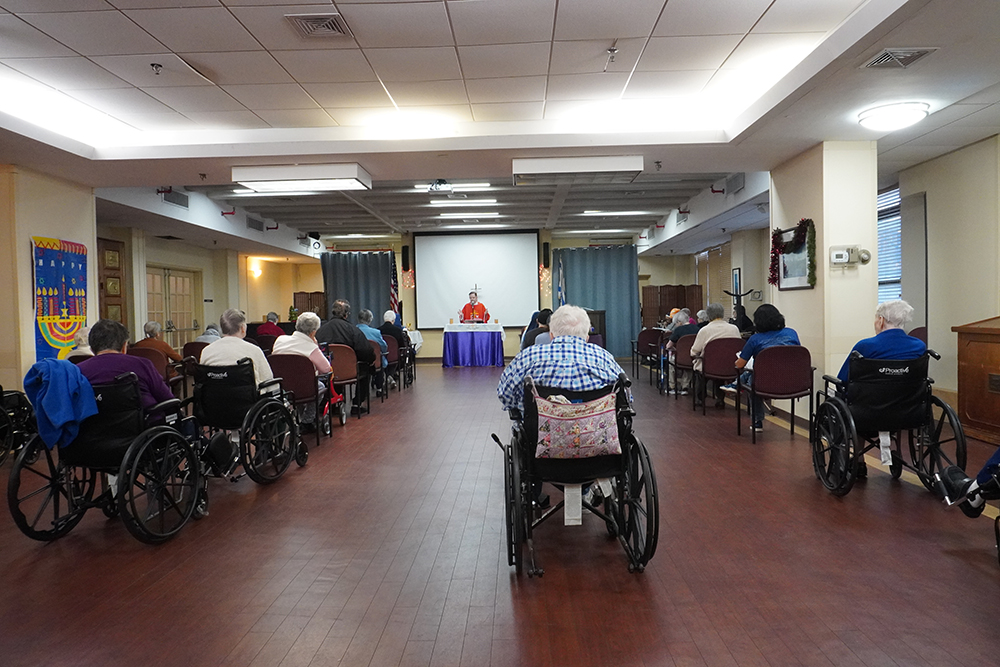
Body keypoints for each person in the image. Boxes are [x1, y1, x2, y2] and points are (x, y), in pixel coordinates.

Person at [497, 304, 625, 413]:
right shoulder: (604, 358)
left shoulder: (527, 357)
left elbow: (505, 395)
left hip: (538, 437)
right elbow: (626, 397)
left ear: (551, 335)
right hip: (597, 436)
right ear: (587, 337)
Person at [725, 303, 800, 432]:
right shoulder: (791, 333)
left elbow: (740, 364)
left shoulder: (755, 339)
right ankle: (738, 383)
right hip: (793, 383)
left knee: (752, 378)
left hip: (764, 383)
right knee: (754, 375)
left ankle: (757, 420)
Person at [77, 319, 174, 412]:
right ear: (124, 347)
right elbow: (167, 400)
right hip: (144, 426)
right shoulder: (142, 365)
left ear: (92, 349)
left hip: (94, 428)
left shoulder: (78, 371)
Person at [836, 300, 926, 384]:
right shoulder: (919, 346)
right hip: (909, 399)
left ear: (881, 320)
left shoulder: (864, 346)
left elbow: (843, 380)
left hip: (869, 399)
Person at [272, 311, 332, 426]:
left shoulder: (279, 340)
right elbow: (326, 369)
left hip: (282, 388)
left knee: (297, 385)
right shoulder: (310, 347)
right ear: (313, 332)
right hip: (304, 389)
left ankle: (298, 417)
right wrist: (315, 345)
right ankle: (307, 420)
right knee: (319, 387)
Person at [316, 299, 376, 413]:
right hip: (349, 371)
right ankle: (356, 405)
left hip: (327, 371)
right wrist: (371, 360)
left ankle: (332, 403)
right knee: (366, 368)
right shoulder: (353, 330)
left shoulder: (320, 331)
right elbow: (366, 351)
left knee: (334, 370)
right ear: (346, 314)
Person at [200, 308, 274, 389]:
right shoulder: (254, 350)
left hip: (213, 399)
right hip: (247, 399)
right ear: (242, 328)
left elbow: (202, 379)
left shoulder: (206, 351)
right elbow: (268, 380)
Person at [690, 303, 742, 406]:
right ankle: (720, 399)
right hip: (730, 365)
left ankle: (700, 398)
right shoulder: (734, 328)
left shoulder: (704, 330)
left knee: (701, 371)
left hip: (709, 366)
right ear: (722, 314)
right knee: (720, 371)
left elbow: (694, 351)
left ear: (708, 315)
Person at [358, 308, 390, 393]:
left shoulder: (353, 330)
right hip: (374, 362)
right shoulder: (376, 332)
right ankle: (379, 388)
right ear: (370, 320)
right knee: (379, 358)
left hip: (357, 362)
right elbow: (384, 347)